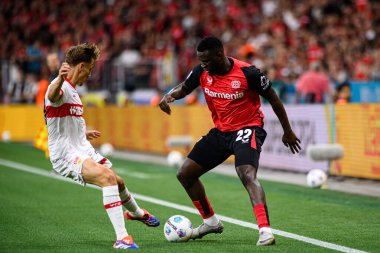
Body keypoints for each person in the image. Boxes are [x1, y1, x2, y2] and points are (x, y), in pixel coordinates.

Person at [159, 36, 301, 246]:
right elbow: (185, 87)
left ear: (219, 55)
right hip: (221, 132)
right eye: (201, 61)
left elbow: (273, 98)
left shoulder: (248, 73)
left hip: (248, 128)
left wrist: (287, 131)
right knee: (185, 174)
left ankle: (265, 231)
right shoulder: (202, 71)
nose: (203, 66)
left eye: (206, 61)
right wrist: (169, 96)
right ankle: (210, 222)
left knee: (246, 173)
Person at [44, 43, 159, 250]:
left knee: (118, 181)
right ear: (80, 67)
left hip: (80, 146)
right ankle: (122, 238)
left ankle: (136, 213)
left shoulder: (74, 92)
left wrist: (82, 133)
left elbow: (55, 119)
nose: (90, 73)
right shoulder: (60, 86)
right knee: (107, 179)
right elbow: (52, 96)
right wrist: (60, 78)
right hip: (66, 154)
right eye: (90, 68)